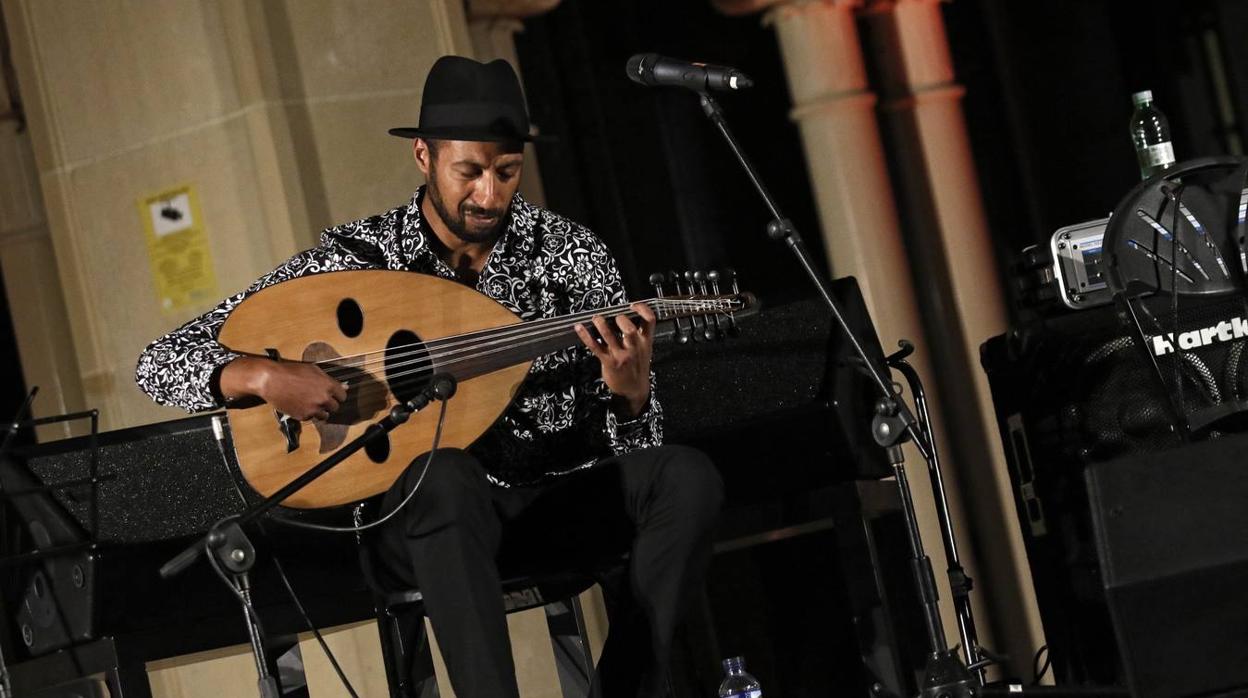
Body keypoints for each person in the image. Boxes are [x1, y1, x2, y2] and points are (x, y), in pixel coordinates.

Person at [135, 55, 723, 698]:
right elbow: (158, 364)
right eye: (469, 171)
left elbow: (634, 446)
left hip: (545, 504)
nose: (490, 194)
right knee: (442, 475)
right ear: (424, 157)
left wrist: (632, 395)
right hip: (415, 526)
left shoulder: (571, 254)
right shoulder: (358, 259)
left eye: (506, 172)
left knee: (686, 477)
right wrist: (263, 376)